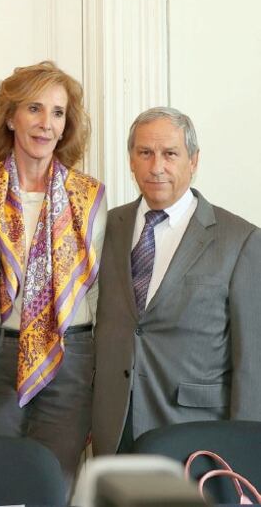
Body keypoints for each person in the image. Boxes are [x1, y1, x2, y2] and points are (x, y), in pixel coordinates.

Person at [91, 107, 261, 454]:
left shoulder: (240, 240)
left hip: (197, 435)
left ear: (193, 161)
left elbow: (252, 364)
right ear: (131, 160)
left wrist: (246, 450)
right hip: (115, 429)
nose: (156, 167)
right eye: (145, 153)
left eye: (170, 154)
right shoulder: (105, 228)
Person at [0, 61, 105, 489]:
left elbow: (100, 292)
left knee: (55, 483)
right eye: (34, 109)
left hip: (71, 356)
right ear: (11, 116)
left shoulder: (89, 195)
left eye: (58, 113)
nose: (46, 124)